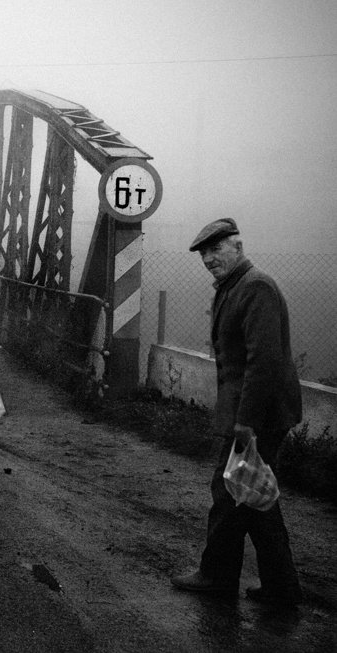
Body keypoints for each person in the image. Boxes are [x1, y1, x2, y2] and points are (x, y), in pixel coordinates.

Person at [171, 218, 303, 607]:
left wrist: (246, 421)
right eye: (204, 254)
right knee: (252, 495)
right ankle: (281, 586)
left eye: (216, 250)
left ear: (238, 248)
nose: (209, 259)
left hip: (259, 415)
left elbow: (264, 361)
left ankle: (218, 576)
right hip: (251, 411)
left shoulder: (256, 287)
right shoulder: (235, 286)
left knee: (232, 492)